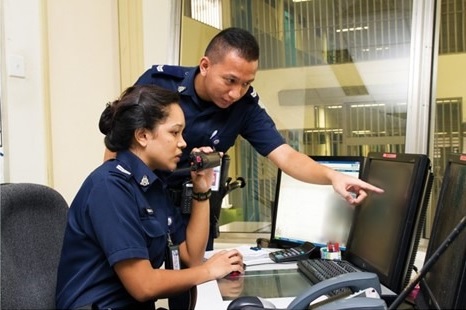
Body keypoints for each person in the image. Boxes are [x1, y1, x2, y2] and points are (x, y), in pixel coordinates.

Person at [105, 27, 384, 250]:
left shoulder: (244, 108)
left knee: (194, 287)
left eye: (247, 83)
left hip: (197, 206)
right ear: (205, 65)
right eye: (230, 80)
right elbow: (116, 141)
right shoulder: (160, 83)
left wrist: (332, 176)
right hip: (144, 200)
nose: (236, 93)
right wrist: (109, 192)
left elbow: (285, 155)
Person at [56, 85, 244, 309]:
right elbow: (143, 285)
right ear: (143, 135)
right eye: (174, 133)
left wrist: (201, 189)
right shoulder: (110, 187)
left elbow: (191, 256)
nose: (183, 143)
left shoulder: (152, 186)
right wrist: (208, 270)